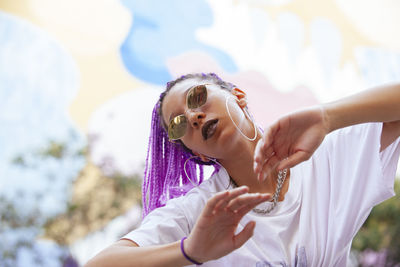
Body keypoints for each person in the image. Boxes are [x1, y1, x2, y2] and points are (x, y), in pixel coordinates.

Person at [85, 73, 400, 266]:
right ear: (195, 151)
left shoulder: (324, 158)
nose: (194, 116)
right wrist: (189, 250)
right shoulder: (200, 214)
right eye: (179, 124)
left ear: (237, 96)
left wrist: (329, 117)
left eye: (198, 97)